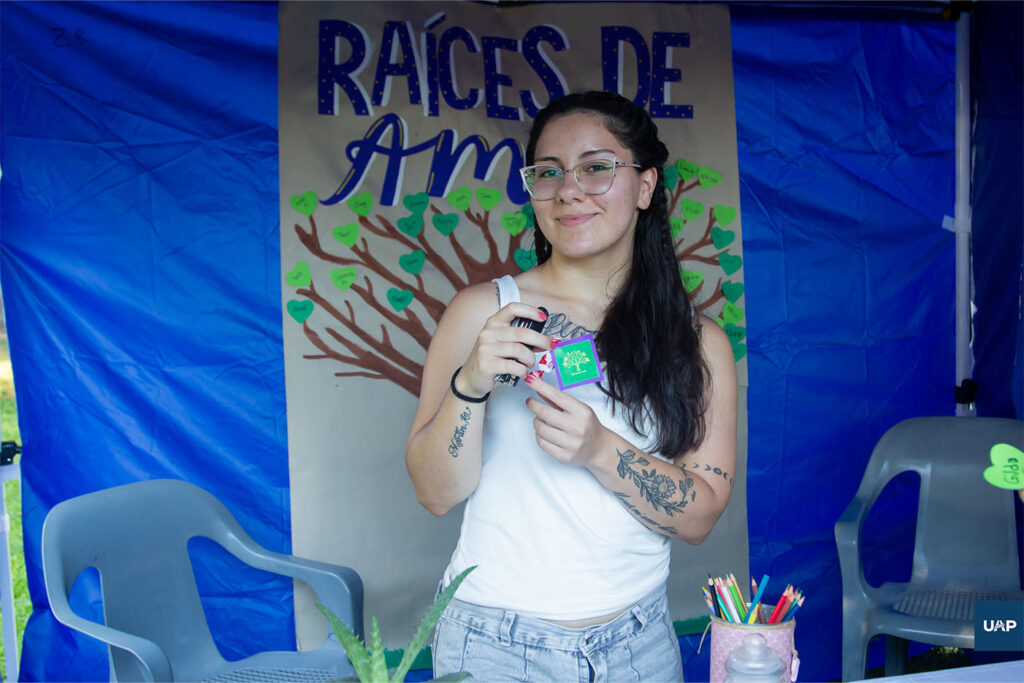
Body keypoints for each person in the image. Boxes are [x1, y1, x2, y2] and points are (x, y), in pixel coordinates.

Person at [406, 91, 738, 682]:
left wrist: (599, 451)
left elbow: (699, 519)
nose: (568, 190)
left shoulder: (697, 341)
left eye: (596, 167)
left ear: (643, 186)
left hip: (640, 646)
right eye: (548, 173)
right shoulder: (482, 312)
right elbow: (434, 495)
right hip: (493, 645)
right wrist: (472, 383)